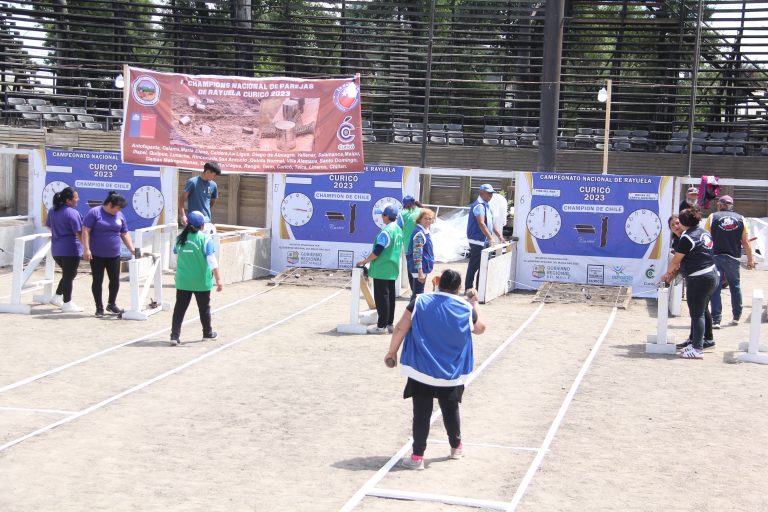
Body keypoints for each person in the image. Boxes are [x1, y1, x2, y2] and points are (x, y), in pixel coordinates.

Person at [383, 269, 486, 470]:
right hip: (451, 371)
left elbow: (401, 327)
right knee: (450, 408)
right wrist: (475, 303)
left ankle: (417, 457)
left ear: (438, 283)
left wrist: (391, 352)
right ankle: (456, 447)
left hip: (422, 368)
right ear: (458, 288)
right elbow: (480, 328)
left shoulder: (419, 301)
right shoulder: (465, 308)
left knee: (421, 413)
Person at [661, 209, 717, 359]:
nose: (677, 225)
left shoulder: (687, 237)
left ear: (685, 223)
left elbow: (675, 261)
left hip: (699, 278)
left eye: (679, 221)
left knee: (697, 314)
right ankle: (698, 342)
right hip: (711, 274)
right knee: (702, 310)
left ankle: (697, 349)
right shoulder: (704, 232)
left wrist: (667, 275)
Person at [170, 211, 223, 346]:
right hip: (201, 281)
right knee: (204, 308)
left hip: (183, 280)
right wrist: (218, 279)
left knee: (179, 309)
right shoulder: (205, 240)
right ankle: (207, 333)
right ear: (201, 225)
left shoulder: (179, 239)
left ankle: (174, 336)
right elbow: (212, 261)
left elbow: (176, 255)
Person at [82, 191, 136, 317]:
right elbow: (85, 231)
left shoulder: (120, 215)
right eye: (117, 208)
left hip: (114, 255)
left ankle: (111, 304)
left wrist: (132, 249)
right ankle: (99, 307)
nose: (118, 211)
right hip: (97, 255)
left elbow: (124, 233)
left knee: (115, 281)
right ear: (110, 205)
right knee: (97, 280)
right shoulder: (94, 213)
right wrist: (86, 249)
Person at [704, 195, 754, 329]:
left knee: (716, 288)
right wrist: (750, 260)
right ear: (732, 205)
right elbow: (745, 242)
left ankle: (716, 320)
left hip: (715, 257)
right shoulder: (741, 219)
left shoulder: (712, 217)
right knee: (735, 286)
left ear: (720, 205)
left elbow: (705, 239)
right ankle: (736, 316)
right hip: (733, 258)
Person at [356, 203, 403, 335]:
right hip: (392, 268)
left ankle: (381, 326)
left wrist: (364, 261)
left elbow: (377, 251)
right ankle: (389, 324)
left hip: (382, 269)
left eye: (382, 214)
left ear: (387, 216)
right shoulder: (398, 230)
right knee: (390, 298)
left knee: (382, 299)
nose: (381, 217)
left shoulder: (386, 231)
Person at [46, 186, 84, 313]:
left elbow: (48, 226)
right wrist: (88, 248)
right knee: (69, 275)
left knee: (70, 274)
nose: (78, 199)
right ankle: (67, 303)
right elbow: (79, 233)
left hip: (56, 249)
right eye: (76, 197)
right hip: (70, 250)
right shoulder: (73, 213)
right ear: (68, 200)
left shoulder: (52, 210)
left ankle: (57, 296)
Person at [465, 183, 503, 292]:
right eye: (489, 193)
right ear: (481, 193)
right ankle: (469, 288)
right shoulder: (479, 205)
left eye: (491, 194)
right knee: (474, 265)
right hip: (477, 240)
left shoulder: (487, 205)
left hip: (484, 240)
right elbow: (481, 223)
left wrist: (499, 235)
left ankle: (479, 288)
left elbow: (492, 222)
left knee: (483, 265)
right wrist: (491, 238)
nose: (491, 196)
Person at [179, 161, 220, 230]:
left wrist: (205, 209)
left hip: (206, 221)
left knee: (205, 240)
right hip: (193, 220)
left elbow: (213, 201)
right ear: (207, 172)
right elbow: (181, 200)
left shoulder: (213, 185)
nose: (215, 177)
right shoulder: (192, 182)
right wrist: (183, 216)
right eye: (214, 175)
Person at [405, 208, 435, 296]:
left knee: (417, 294)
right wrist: (420, 272)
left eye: (430, 219)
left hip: (423, 266)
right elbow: (417, 254)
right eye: (425, 218)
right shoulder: (419, 233)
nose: (428, 221)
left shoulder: (425, 231)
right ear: (420, 219)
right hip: (419, 269)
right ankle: (411, 310)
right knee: (418, 295)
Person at [397, 195, 422, 292]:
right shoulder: (421, 211)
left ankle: (414, 291)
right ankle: (419, 290)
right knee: (420, 268)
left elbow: (398, 229)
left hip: (409, 247)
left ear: (405, 205)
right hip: (421, 245)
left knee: (411, 269)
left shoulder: (403, 214)